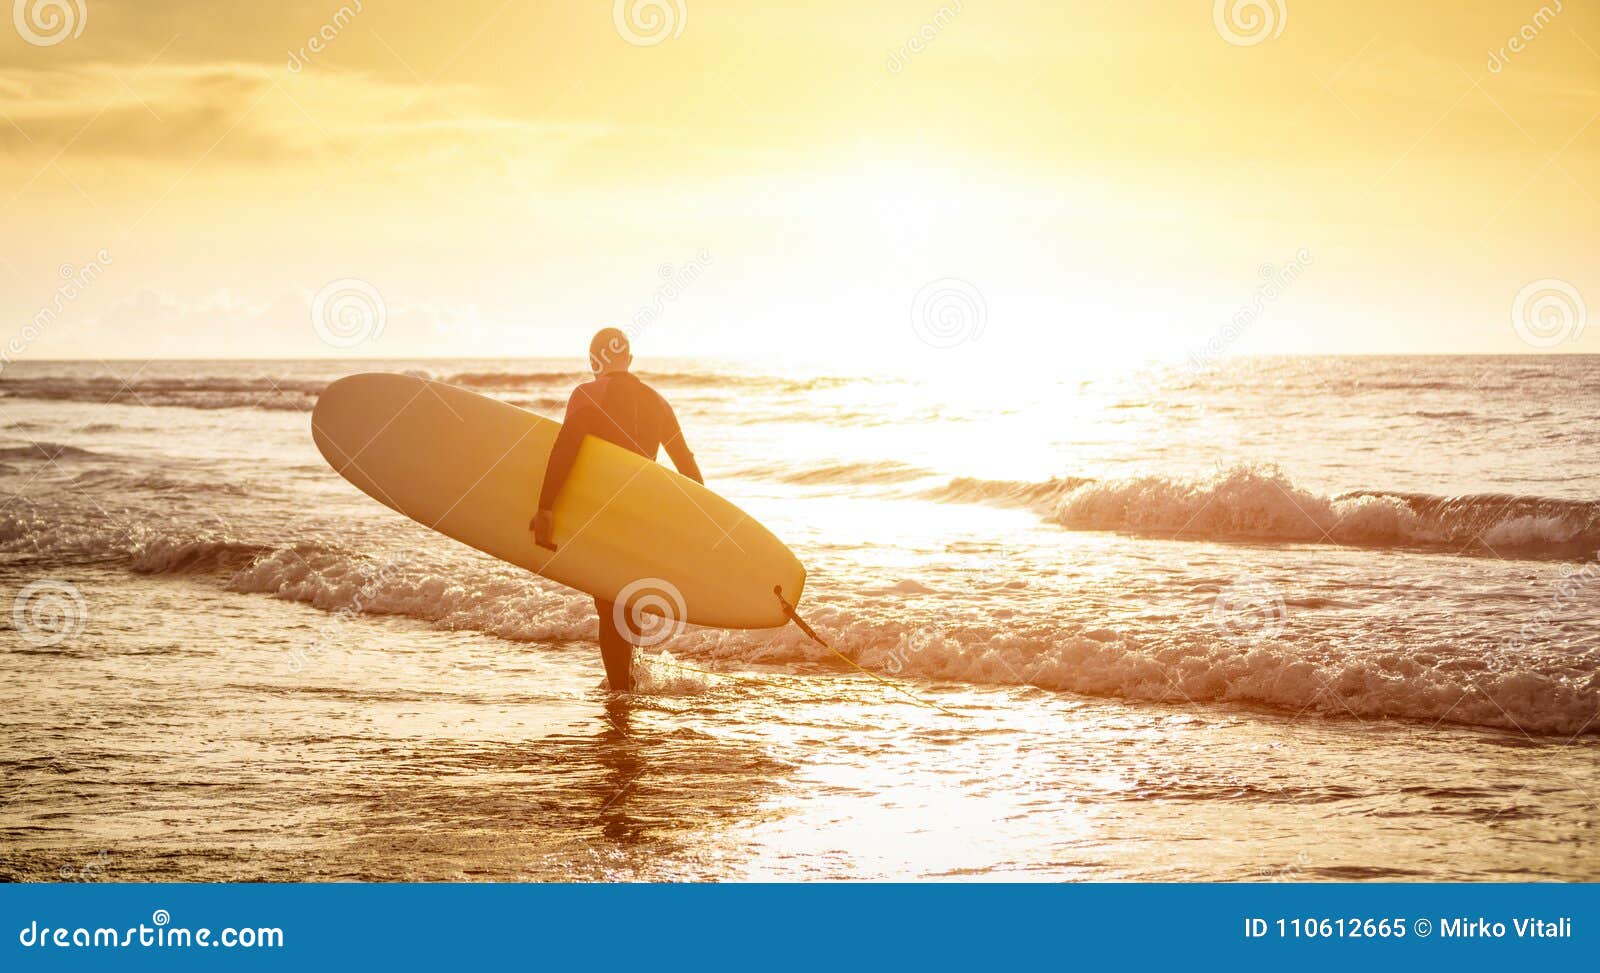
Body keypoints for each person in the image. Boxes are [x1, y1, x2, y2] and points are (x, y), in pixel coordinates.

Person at [530, 328, 703, 693]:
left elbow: (565, 451)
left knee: (610, 607)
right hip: (643, 518)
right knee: (629, 602)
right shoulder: (658, 402)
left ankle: (621, 696)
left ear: (594, 361)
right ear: (631, 360)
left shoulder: (587, 395)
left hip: (604, 515)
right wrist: (701, 524)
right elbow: (687, 469)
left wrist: (545, 507)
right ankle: (631, 683)